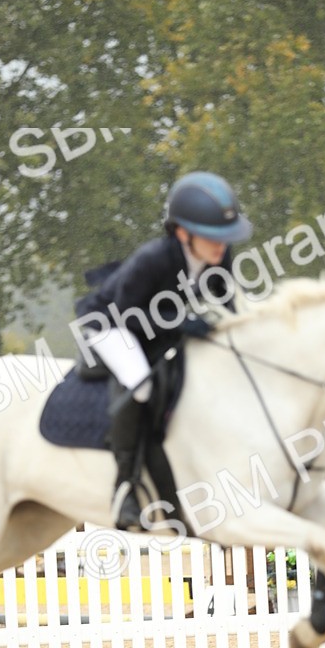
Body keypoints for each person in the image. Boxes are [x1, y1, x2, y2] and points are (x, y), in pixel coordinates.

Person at [74, 171, 252, 530]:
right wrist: (182, 322)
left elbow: (227, 301)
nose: (222, 245)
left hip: (154, 323)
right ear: (183, 233)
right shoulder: (154, 258)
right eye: (213, 236)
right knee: (140, 384)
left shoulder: (219, 256)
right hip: (111, 323)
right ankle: (125, 487)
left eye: (225, 237)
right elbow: (127, 314)